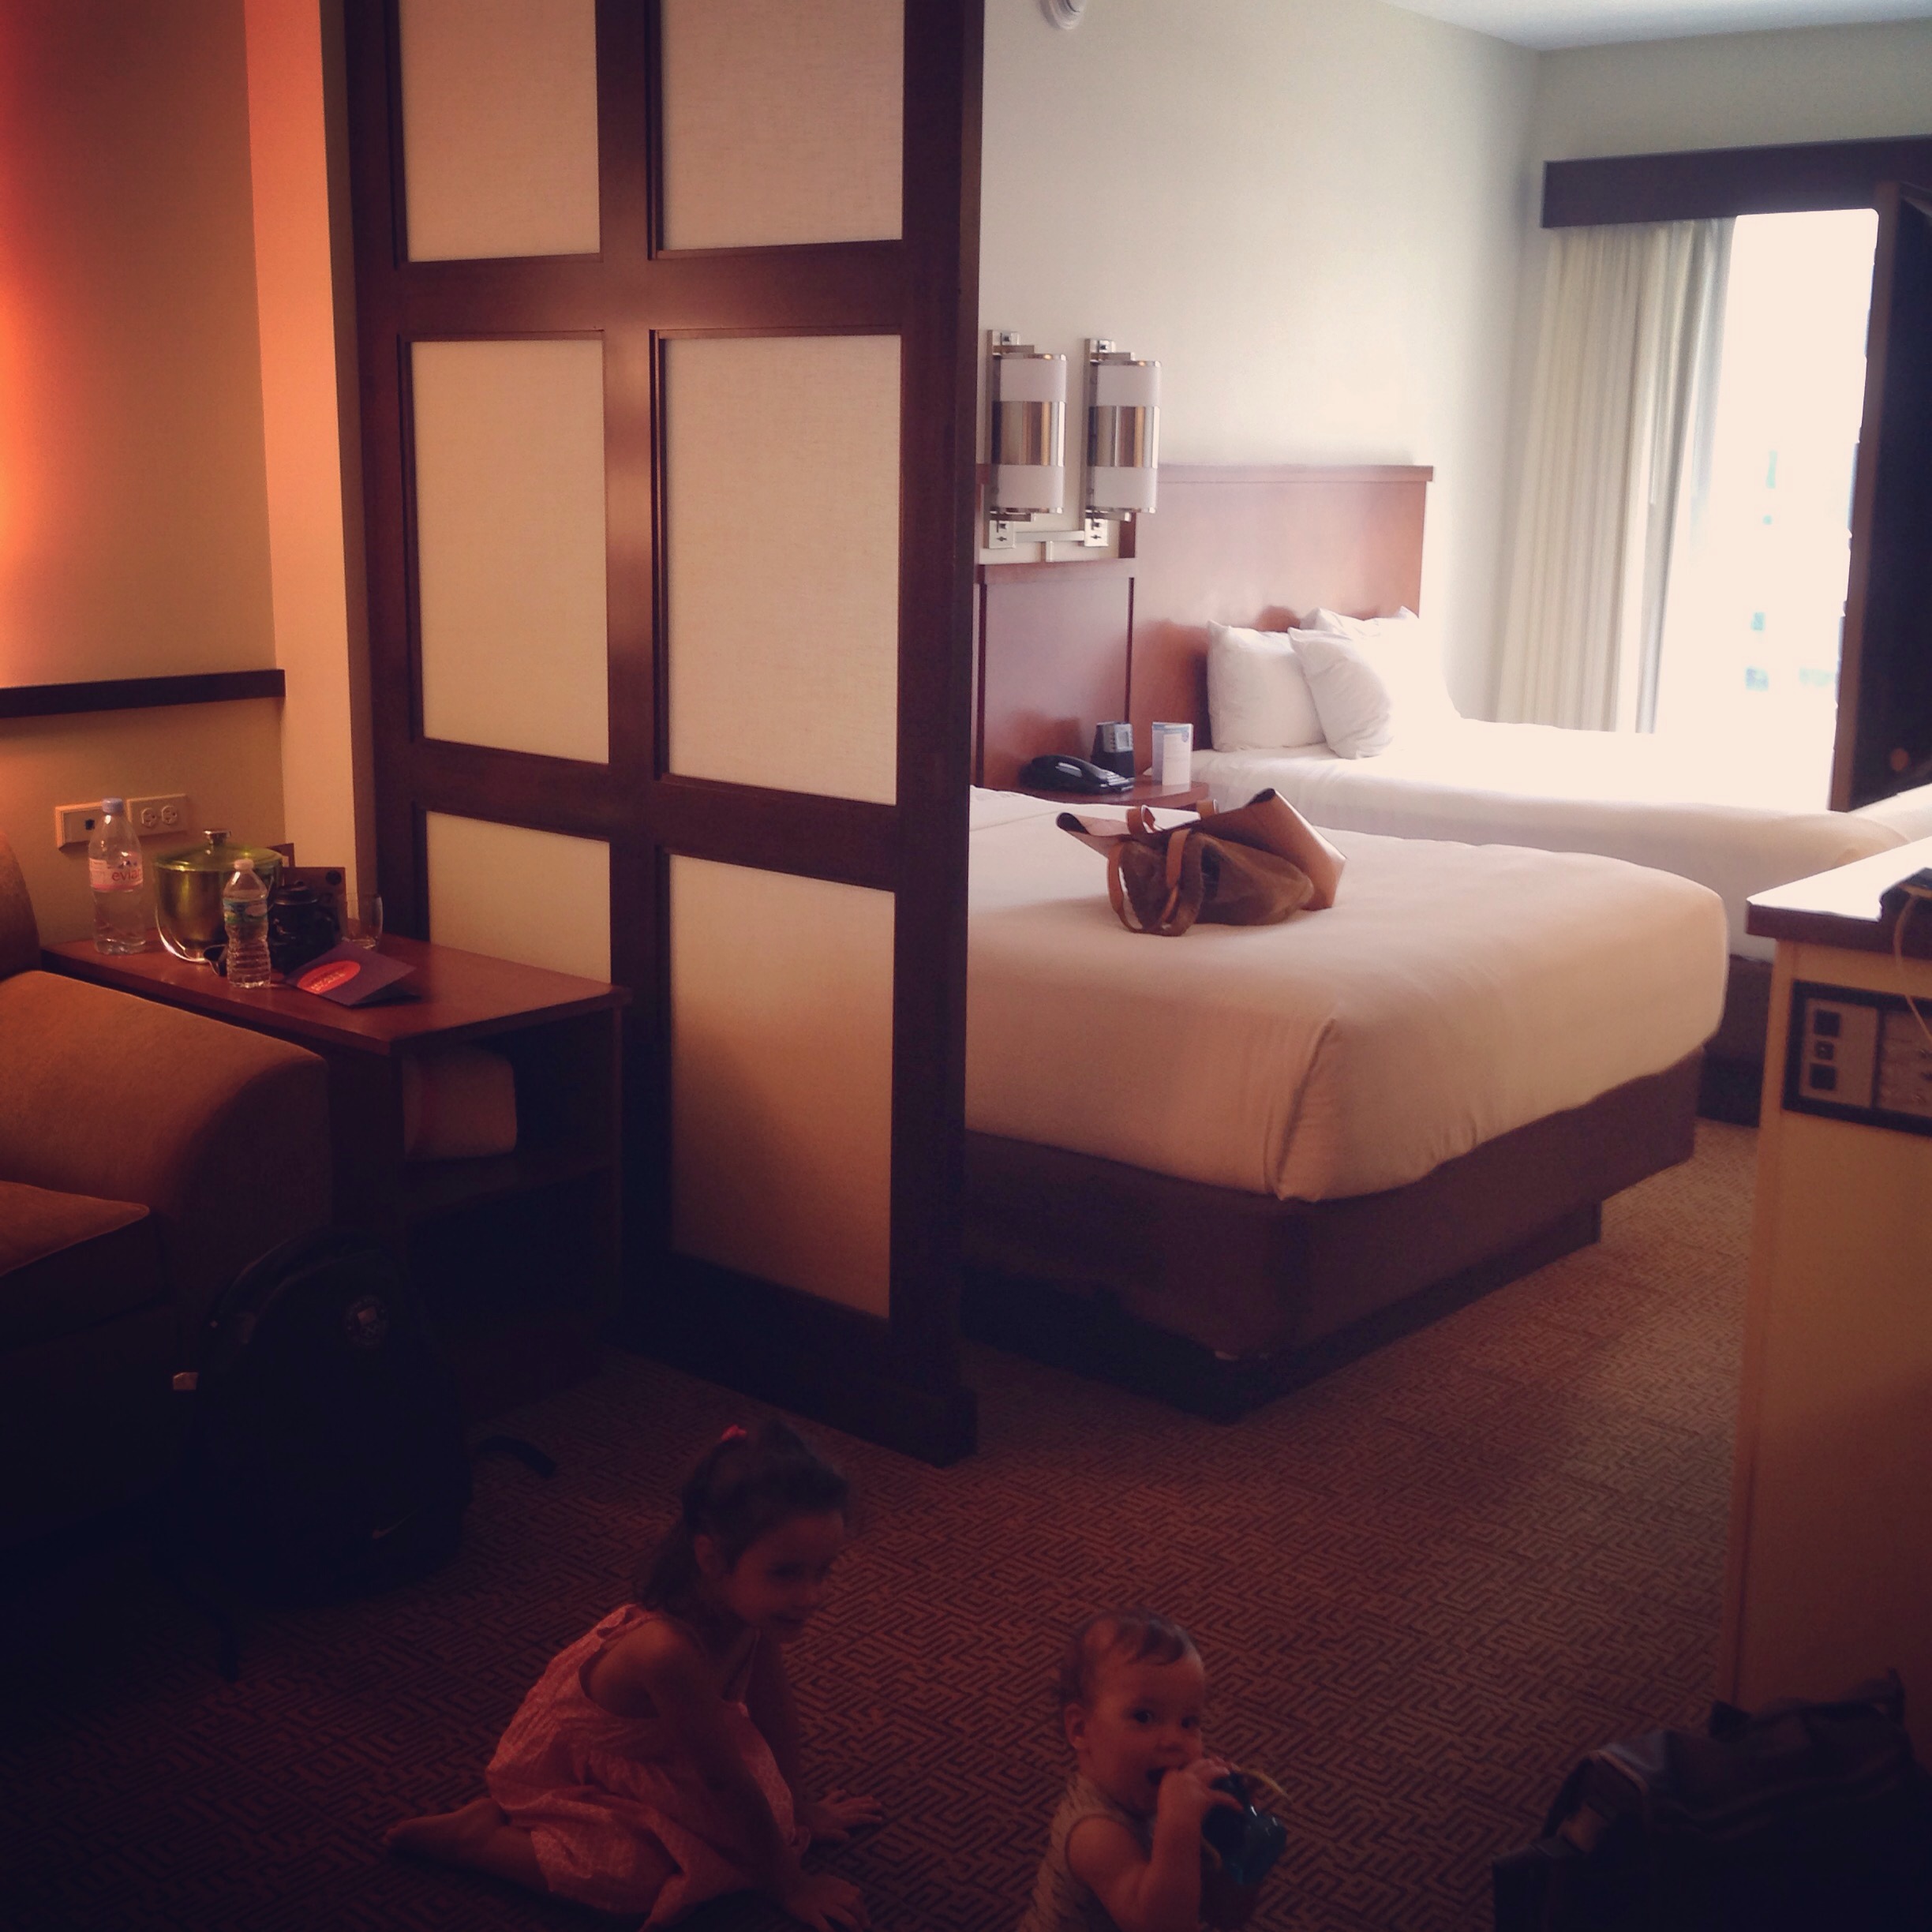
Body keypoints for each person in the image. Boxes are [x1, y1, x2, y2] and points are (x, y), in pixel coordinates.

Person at [384, 1420, 882, 1930]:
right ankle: (478, 1840)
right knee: (635, 1880)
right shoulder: (667, 1653)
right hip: (581, 1767)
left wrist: (801, 1806)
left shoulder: (748, 1611)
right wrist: (791, 1886)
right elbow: (726, 1784)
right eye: (786, 1572)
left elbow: (774, 1709)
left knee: (769, 1820)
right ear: (712, 1558)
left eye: (823, 1570)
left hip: (666, 1749)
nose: (812, 1596)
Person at [1018, 1608, 1245, 1932]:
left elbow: (1225, 1912)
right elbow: (1163, 1927)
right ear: (1081, 1729)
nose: (1174, 1740)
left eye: (1188, 1721)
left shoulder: (1159, 1799)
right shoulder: (1093, 1834)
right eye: (1144, 1717)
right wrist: (1179, 1825)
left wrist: (1229, 1835)